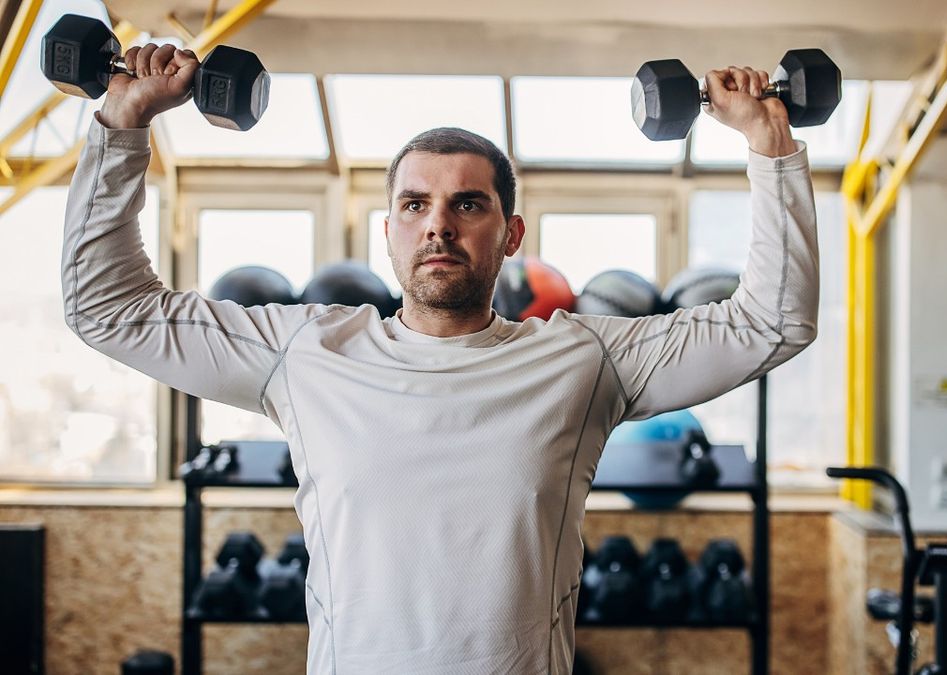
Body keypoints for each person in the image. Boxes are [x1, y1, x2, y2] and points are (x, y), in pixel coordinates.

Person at [63, 43, 819, 674]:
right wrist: (123, 123)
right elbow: (109, 308)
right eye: (415, 204)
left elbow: (771, 322)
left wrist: (768, 141)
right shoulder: (307, 351)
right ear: (386, 230)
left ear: (511, 234)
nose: (439, 226)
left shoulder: (582, 360)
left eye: (468, 203)